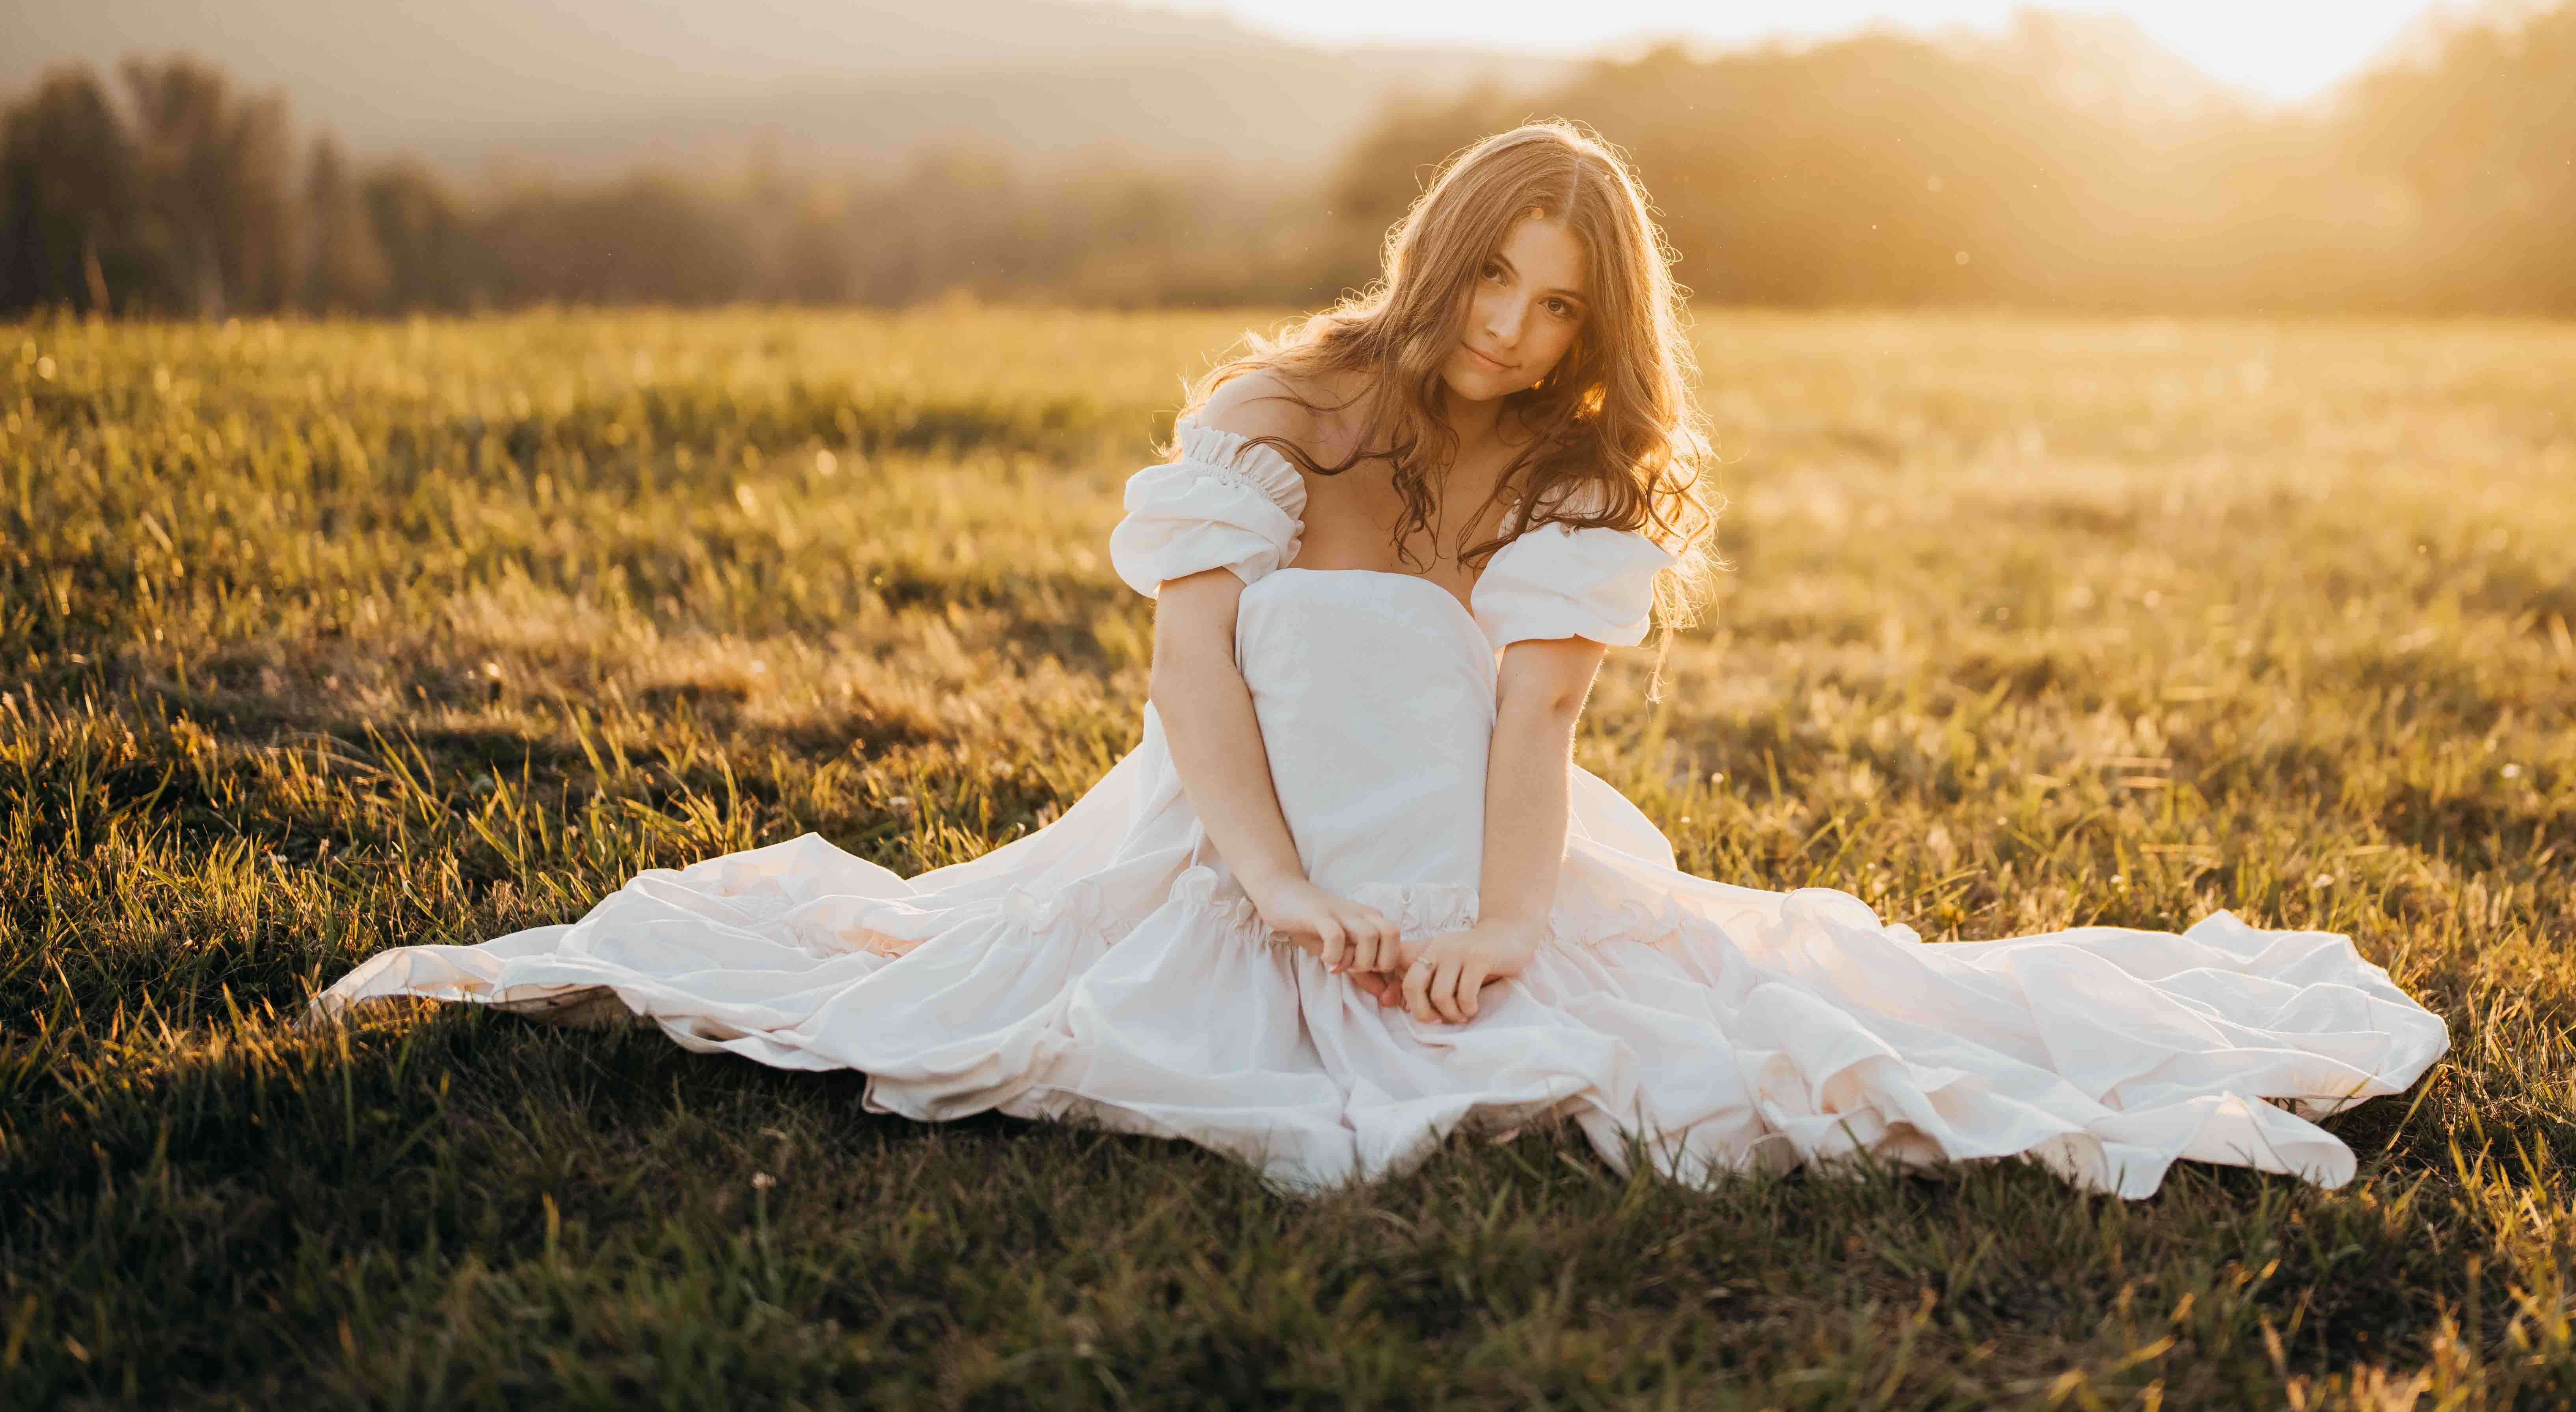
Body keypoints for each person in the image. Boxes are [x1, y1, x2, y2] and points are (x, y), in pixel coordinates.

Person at [314, 123, 2446, 1193]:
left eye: (1561, 315)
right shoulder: (1281, 411)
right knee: (992, 1002)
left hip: (1468, 843)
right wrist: (1277, 887)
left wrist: (1507, 919)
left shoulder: (1578, 481)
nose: (1516, 338)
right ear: (1440, 254)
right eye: (1497, 285)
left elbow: (1534, 722)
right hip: (1220, 838)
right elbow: (1197, 683)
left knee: (1752, 1040)